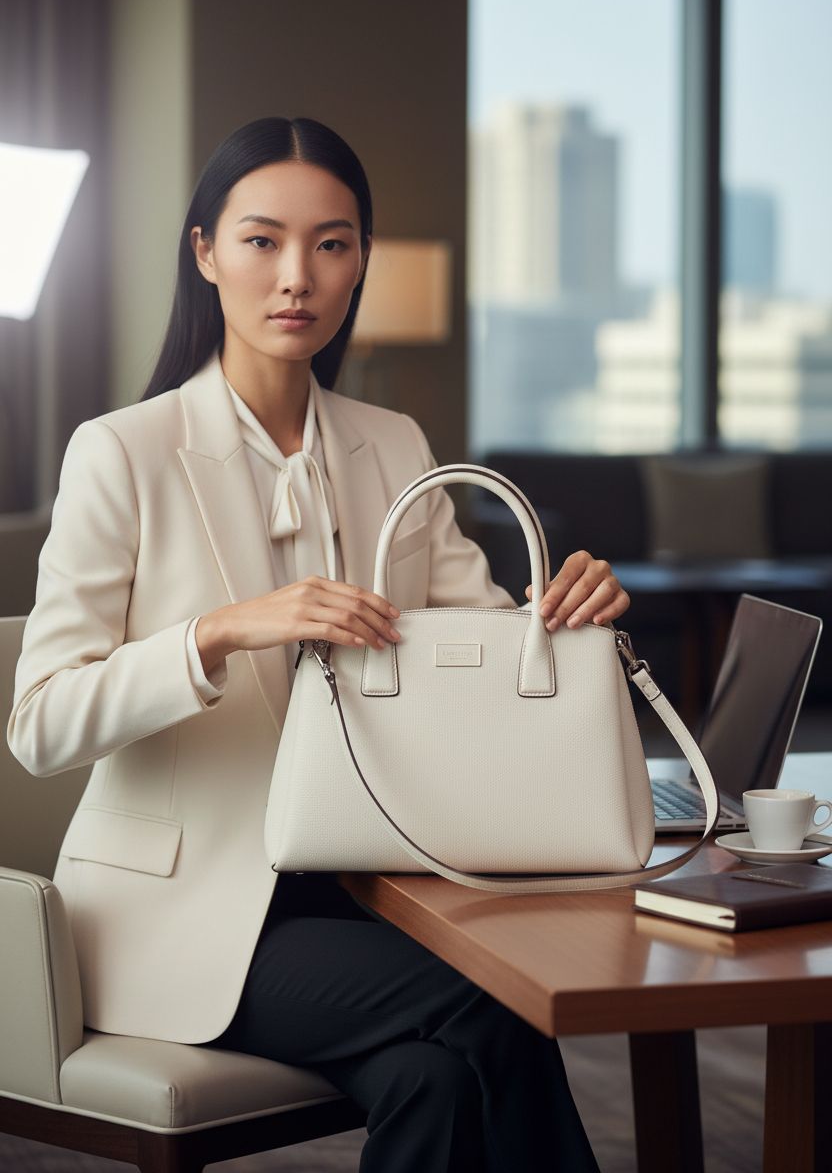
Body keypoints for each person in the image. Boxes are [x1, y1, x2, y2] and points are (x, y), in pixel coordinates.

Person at [9, 116, 630, 1171]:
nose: (297, 275)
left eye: (332, 244)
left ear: (359, 264)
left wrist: (555, 620)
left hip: (369, 900)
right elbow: (38, 724)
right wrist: (220, 631)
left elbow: (473, 651)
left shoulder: (394, 448)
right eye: (262, 240)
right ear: (204, 252)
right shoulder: (122, 452)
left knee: (435, 1084)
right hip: (175, 918)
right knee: (506, 1003)